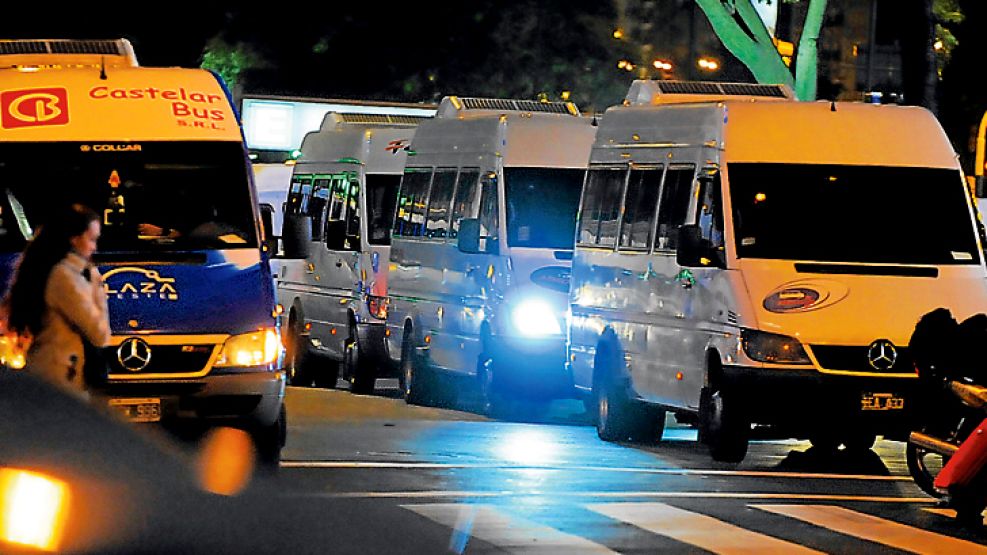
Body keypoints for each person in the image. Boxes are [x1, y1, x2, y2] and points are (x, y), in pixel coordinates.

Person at [2, 204, 110, 398]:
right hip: (60, 378)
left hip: (47, 372)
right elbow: (99, 333)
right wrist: (97, 287)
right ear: (74, 240)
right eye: (92, 239)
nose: (95, 247)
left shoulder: (43, 269)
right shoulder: (65, 277)